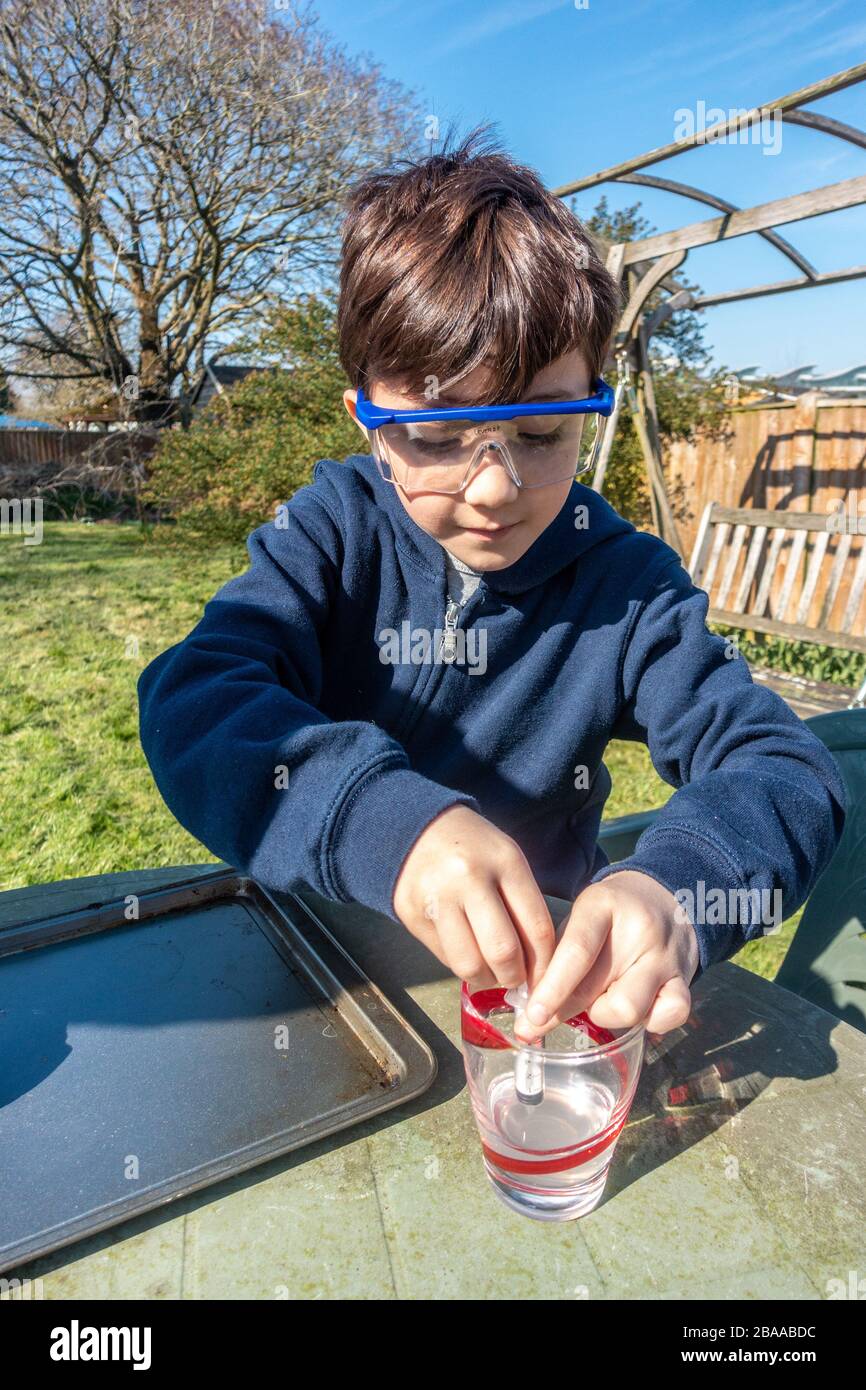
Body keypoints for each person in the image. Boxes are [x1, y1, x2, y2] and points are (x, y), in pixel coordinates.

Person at [137, 129, 846, 1044]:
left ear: (597, 401)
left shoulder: (626, 586)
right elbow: (195, 698)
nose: (495, 489)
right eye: (435, 437)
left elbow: (783, 766)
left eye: (545, 433)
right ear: (369, 421)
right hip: (315, 980)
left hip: (536, 1010)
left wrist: (676, 888)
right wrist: (380, 824)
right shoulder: (330, 532)